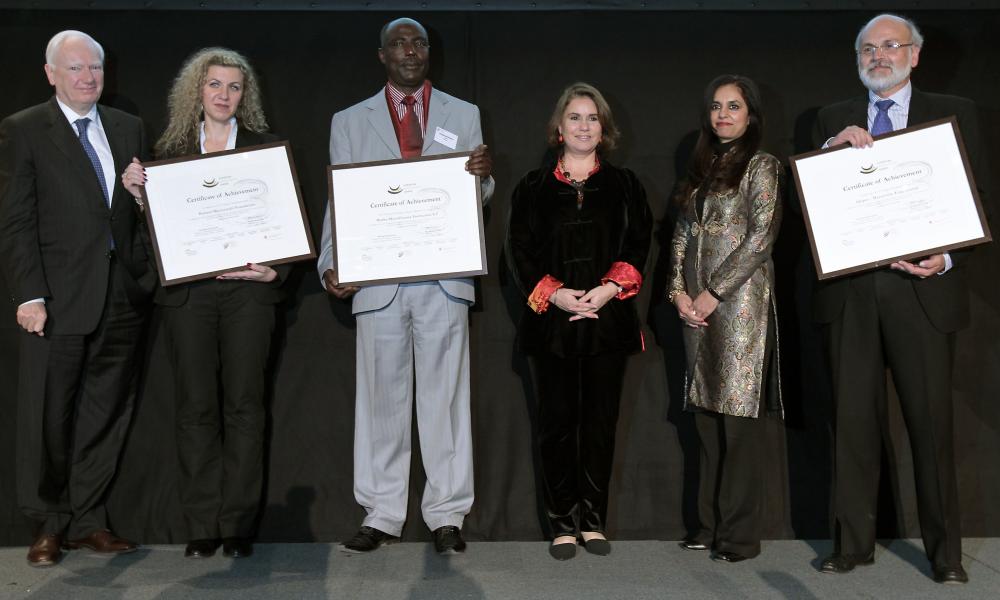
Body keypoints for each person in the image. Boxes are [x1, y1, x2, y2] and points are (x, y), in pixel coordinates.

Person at [812, 14, 984, 584]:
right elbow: (807, 207)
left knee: (932, 429)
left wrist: (949, 257)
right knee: (853, 425)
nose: (878, 55)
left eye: (891, 46)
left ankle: (946, 557)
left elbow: (983, 198)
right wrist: (830, 154)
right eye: (868, 48)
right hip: (853, 295)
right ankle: (852, 545)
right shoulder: (830, 120)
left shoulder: (954, 111)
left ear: (915, 55)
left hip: (924, 290)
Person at [317, 17, 494, 555]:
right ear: (382, 55)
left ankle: (446, 515)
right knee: (381, 402)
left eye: (418, 42)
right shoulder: (349, 120)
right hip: (378, 281)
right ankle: (382, 513)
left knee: (446, 402)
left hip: (444, 278)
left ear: (428, 54)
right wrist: (331, 263)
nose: (410, 50)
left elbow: (475, 197)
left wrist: (484, 177)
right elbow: (339, 197)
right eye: (399, 43)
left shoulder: (464, 114)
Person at [123, 47, 287, 560]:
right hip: (189, 295)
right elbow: (151, 233)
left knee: (244, 406)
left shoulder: (265, 150)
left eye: (234, 87)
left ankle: (236, 524)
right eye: (214, 85)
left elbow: (284, 221)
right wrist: (138, 197)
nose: (223, 95)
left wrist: (276, 270)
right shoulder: (165, 152)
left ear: (246, 95)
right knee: (195, 409)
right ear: (197, 90)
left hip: (248, 294)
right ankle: (201, 524)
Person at [0, 30, 154, 566]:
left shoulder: (127, 126)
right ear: (50, 74)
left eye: (95, 68)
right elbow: (16, 221)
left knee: (105, 414)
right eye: (75, 69)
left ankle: (89, 521)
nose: (88, 78)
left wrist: (139, 199)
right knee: (49, 416)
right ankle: (49, 524)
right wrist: (29, 295)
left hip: (122, 297)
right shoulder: (23, 130)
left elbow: (135, 215)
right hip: (57, 300)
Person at [506, 82, 651, 560]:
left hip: (607, 323)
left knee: (600, 424)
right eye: (575, 117)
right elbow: (518, 252)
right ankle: (562, 522)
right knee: (556, 425)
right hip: (552, 325)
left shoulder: (625, 185)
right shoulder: (531, 187)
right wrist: (558, 294)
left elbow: (638, 243)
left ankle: (594, 521)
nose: (584, 126)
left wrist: (609, 289)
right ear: (559, 127)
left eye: (592, 118)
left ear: (603, 127)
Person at [667, 75, 782, 563]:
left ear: (750, 114)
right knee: (707, 424)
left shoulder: (763, 166)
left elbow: (761, 238)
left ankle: (738, 537)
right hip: (695, 311)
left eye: (733, 106)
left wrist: (713, 293)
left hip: (740, 309)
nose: (723, 115)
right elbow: (680, 234)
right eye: (716, 106)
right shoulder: (701, 169)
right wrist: (677, 292)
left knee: (736, 425)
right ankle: (708, 526)